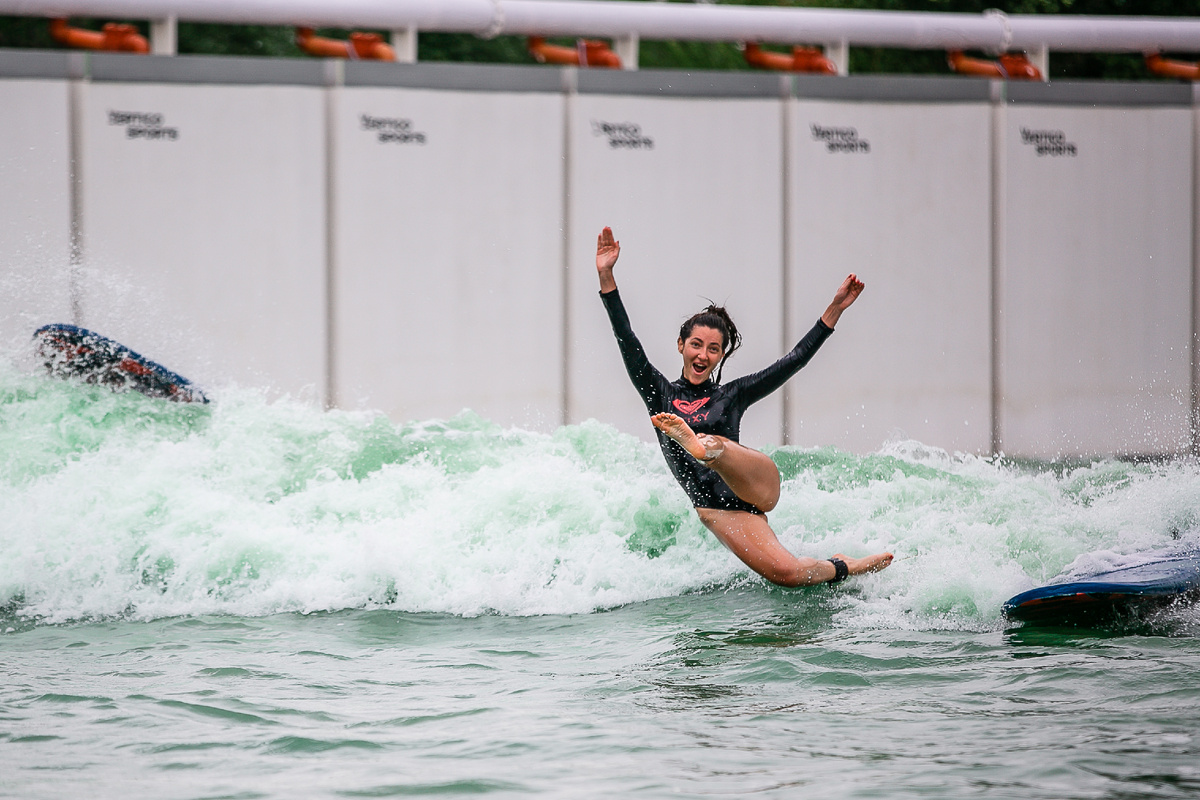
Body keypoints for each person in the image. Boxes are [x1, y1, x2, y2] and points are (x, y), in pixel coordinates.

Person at [595, 226, 893, 586]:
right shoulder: (659, 394)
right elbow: (626, 338)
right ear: (680, 345)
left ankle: (705, 447)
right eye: (696, 344)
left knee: (712, 444)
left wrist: (835, 309)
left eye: (713, 349)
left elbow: (793, 361)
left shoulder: (731, 395)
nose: (703, 355)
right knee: (790, 574)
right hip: (720, 510)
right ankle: (844, 565)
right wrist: (606, 276)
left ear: (721, 356)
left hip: (755, 484)